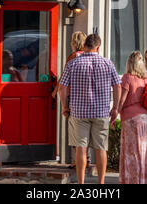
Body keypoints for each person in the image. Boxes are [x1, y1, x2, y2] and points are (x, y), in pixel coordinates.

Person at [58, 34, 122, 184]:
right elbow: (117, 86)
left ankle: (81, 183)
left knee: (81, 148)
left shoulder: (73, 63)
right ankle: (100, 183)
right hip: (100, 112)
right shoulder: (108, 63)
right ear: (98, 47)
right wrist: (116, 108)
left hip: (79, 112)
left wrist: (64, 106)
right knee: (100, 148)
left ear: (85, 45)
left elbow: (62, 88)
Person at [111, 51, 147, 184]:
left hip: (132, 119)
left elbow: (121, 100)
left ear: (129, 63)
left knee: (133, 152)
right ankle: (146, 180)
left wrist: (114, 114)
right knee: (146, 152)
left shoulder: (127, 77)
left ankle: (133, 180)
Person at [52, 31, 87, 168]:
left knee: (75, 129)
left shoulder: (73, 57)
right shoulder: (88, 56)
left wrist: (55, 91)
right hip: (87, 97)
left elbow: (65, 78)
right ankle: (86, 159)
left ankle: (77, 161)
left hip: (74, 96)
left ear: (74, 42)